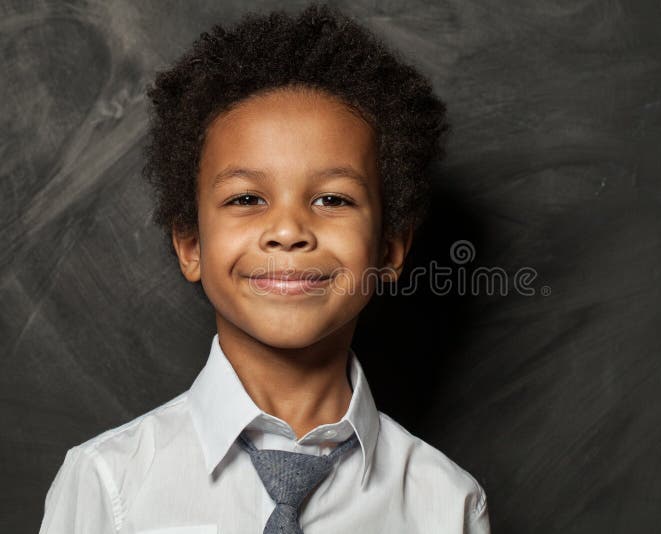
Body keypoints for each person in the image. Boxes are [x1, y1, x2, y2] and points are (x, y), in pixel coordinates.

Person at [38, 3, 490, 533]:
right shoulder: (107, 483)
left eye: (333, 199)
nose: (289, 229)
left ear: (389, 251)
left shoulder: (446, 504)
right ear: (190, 246)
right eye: (248, 198)